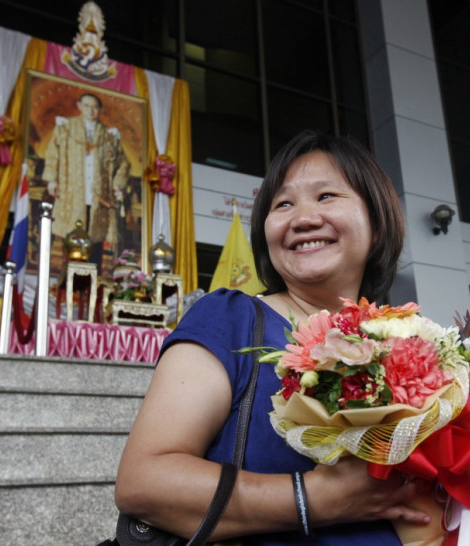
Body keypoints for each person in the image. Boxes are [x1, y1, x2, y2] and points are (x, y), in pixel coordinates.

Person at [114, 130, 429, 544]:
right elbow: (144, 482)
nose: (303, 218)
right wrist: (312, 499)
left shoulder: (412, 347)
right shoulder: (231, 318)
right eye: (283, 204)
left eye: (326, 196)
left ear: (377, 219)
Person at [42, 92, 130, 271]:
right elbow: (52, 155)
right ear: (80, 106)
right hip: (72, 194)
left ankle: (92, 283)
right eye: (87, 106)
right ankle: (68, 280)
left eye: (95, 107)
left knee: (95, 242)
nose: (91, 110)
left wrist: (117, 184)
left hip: (98, 198)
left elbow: (123, 164)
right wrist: (52, 180)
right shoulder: (65, 128)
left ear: (99, 110)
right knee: (72, 238)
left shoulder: (109, 135)